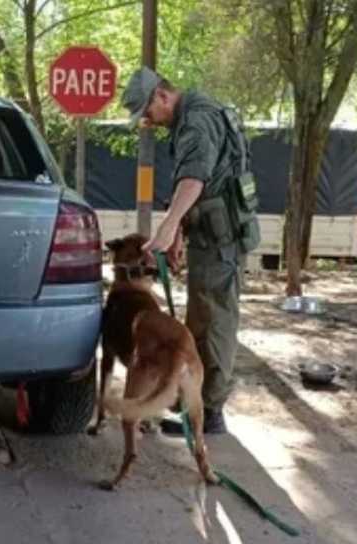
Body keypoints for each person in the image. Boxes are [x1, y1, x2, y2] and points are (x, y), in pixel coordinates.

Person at [120, 66, 260, 434]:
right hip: (210, 230)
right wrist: (180, 229)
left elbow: (195, 179)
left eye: (148, 113)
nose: (149, 122)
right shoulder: (193, 115)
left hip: (221, 236)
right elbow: (201, 181)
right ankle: (194, 402)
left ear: (162, 96)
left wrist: (166, 229)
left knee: (214, 320)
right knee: (200, 317)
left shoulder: (197, 121)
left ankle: (209, 411)